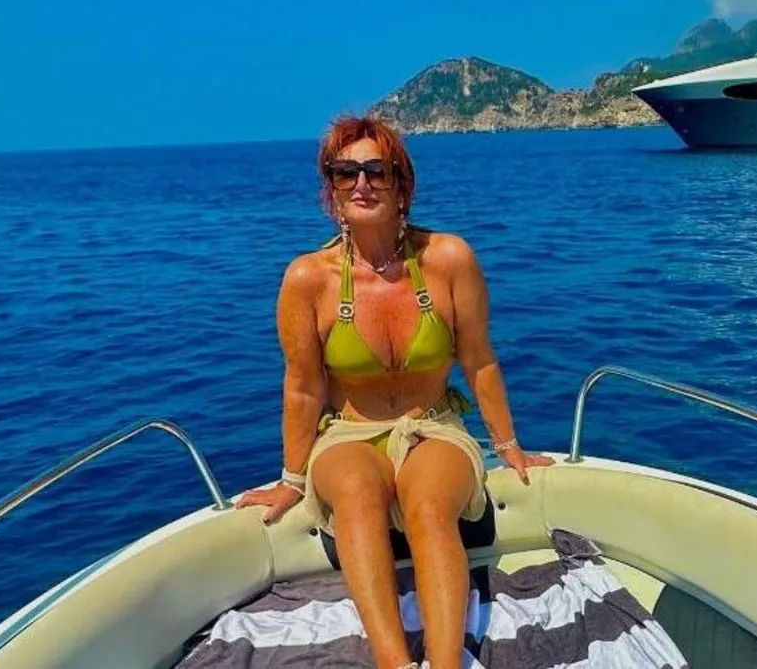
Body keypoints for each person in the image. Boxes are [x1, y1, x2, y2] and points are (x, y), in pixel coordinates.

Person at [236, 115, 553, 669]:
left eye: (376, 171)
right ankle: (393, 663)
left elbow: (478, 360)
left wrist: (508, 447)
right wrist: (290, 480)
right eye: (344, 173)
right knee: (357, 497)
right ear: (331, 190)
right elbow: (304, 388)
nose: (361, 184)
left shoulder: (448, 260)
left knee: (429, 505)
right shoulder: (308, 279)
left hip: (433, 424)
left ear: (402, 185)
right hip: (348, 432)